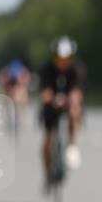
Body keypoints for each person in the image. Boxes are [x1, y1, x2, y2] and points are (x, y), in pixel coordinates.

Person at [39, 36, 84, 185]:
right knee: (48, 140)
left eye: (66, 58)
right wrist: (52, 100)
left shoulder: (77, 69)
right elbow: (45, 91)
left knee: (74, 111)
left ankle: (72, 144)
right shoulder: (46, 69)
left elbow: (77, 91)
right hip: (52, 103)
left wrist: (70, 101)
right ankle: (47, 175)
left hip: (69, 101)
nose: (63, 61)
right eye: (59, 58)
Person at [0, 58, 30, 125]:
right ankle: (12, 117)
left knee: (19, 101)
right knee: (12, 101)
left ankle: (18, 117)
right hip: (11, 88)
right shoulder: (8, 72)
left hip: (17, 88)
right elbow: (3, 82)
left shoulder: (20, 71)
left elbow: (24, 81)